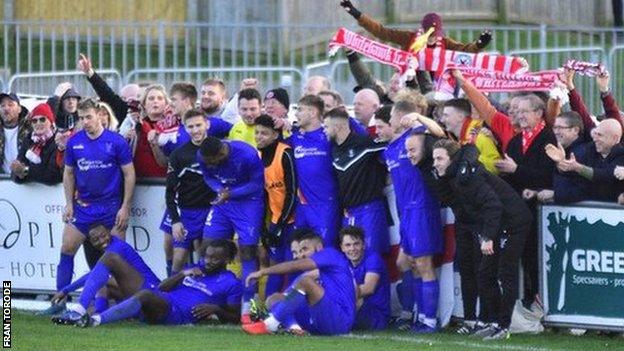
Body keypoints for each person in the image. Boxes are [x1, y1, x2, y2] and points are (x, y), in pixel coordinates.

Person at [432, 140, 532, 340]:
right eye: (434, 158)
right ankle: (491, 321)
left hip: (513, 222)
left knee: (506, 273)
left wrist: (487, 237)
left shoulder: (470, 176)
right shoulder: (452, 177)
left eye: (440, 158)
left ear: (452, 159)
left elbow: (493, 206)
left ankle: (503, 326)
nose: (435, 163)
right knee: (485, 273)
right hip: (496, 223)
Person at [53, 98, 135, 315]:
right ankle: (59, 301)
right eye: (81, 118)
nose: (85, 122)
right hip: (84, 207)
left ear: (99, 115)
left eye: (88, 117)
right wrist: (69, 203)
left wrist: (125, 206)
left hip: (111, 208)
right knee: (67, 247)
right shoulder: (74, 142)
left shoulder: (116, 141)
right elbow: (68, 173)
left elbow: (129, 173)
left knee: (116, 258)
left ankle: (119, 306)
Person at [77, 239, 242, 327]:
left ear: (227, 259)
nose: (208, 261)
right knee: (110, 258)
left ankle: (97, 320)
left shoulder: (231, 282)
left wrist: (217, 309)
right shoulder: (196, 268)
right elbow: (162, 287)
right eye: (207, 256)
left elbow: (235, 318)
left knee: (145, 295)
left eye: (215, 258)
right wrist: (182, 274)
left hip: (175, 314)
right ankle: (79, 310)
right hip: (161, 301)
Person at [384, 104, 442, 333]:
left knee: (423, 264)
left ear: (400, 115)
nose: (385, 124)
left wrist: (419, 116)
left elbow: (438, 133)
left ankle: (429, 320)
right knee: (405, 264)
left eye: (388, 118)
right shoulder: (391, 148)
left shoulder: (416, 134)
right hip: (406, 212)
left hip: (422, 208)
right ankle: (415, 314)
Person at [197, 136, 264, 323]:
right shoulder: (203, 155)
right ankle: (204, 297)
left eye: (214, 161)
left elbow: (257, 184)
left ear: (221, 152)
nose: (212, 164)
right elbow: (208, 177)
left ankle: (247, 308)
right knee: (208, 248)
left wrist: (231, 193)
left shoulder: (247, 154)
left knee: (248, 252)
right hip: (224, 203)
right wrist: (220, 189)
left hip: (248, 203)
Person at [242, 229, 356, 336]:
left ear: (319, 247)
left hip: (340, 320)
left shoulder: (331, 254)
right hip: (320, 320)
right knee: (274, 299)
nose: (301, 255)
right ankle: (295, 328)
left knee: (305, 282)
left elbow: (294, 266)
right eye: (300, 251)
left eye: (305, 249)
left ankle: (269, 325)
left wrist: (263, 272)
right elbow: (288, 297)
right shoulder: (313, 274)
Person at [51, 223, 161, 324]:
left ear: (109, 232)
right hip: (138, 290)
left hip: (151, 290)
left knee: (102, 280)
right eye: (96, 239)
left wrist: (66, 290)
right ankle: (97, 315)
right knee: (102, 282)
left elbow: (93, 276)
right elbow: (94, 275)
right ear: (91, 243)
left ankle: (82, 312)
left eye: (103, 235)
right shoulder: (109, 250)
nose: (102, 241)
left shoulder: (116, 248)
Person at [324, 107, 389, 254]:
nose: (324, 131)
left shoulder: (365, 143)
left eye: (326, 127)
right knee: (353, 259)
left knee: (373, 257)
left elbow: (391, 144)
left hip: (370, 210)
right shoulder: (334, 150)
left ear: (338, 126)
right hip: (349, 214)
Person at [165, 109, 217, 274]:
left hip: (211, 211)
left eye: (199, 125)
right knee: (178, 258)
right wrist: (175, 220)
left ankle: (204, 293)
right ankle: (171, 295)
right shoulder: (178, 155)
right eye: (191, 127)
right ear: (185, 128)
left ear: (207, 124)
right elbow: (170, 191)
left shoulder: (219, 147)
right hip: (187, 213)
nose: (195, 130)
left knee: (207, 256)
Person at [288, 95, 340, 246]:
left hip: (326, 205)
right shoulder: (295, 137)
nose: (296, 114)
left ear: (312, 112)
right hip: (303, 205)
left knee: (325, 249)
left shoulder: (329, 135)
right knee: (300, 251)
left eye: (300, 109)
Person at [255, 115, 298, 297]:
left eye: (264, 133)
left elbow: (292, 192)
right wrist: (265, 229)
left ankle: (291, 310)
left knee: (292, 266)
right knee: (275, 266)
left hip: (292, 220)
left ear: (275, 135)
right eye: (257, 133)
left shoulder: (285, 153)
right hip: (275, 220)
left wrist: (280, 225)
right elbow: (264, 196)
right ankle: (268, 311)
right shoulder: (258, 157)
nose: (259, 137)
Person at [554, 119, 624, 202]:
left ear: (614, 138)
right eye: (595, 134)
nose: (595, 139)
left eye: (600, 135)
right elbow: (574, 175)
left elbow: (607, 176)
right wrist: (562, 163)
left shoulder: (621, 156)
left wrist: (579, 168)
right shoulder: (589, 150)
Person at [339, 226, 390, 331]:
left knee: (352, 296)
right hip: (356, 314)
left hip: (377, 316)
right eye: (348, 245)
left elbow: (368, 288)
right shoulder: (343, 262)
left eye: (356, 244)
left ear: (364, 244)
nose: (352, 249)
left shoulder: (373, 258)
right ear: (342, 247)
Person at [440, 98, 501, 174]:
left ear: (460, 117)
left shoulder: (479, 136)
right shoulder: (462, 138)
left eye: (446, 116)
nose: (442, 120)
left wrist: (466, 159)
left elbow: (496, 167)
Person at [10, 103, 62, 185]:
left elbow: (53, 175)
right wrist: (18, 172)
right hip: (29, 195)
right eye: (34, 121)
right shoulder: (28, 140)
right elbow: (14, 176)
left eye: (42, 119)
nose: (38, 123)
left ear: (51, 121)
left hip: (52, 195)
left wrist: (26, 171)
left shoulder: (57, 141)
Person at [1, 92, 31, 174]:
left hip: (26, 180)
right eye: (2, 105)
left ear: (19, 109)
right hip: (3, 180)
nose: (6, 108)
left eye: (10, 105)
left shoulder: (31, 127)